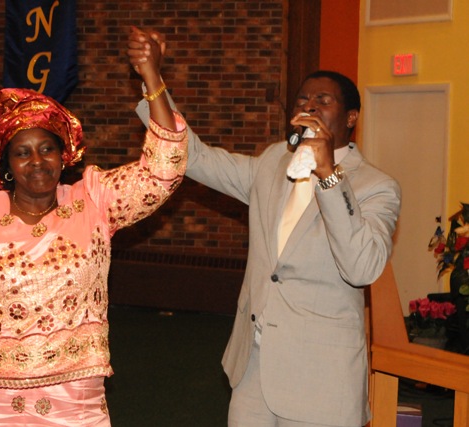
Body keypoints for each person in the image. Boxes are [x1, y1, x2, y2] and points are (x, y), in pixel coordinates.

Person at [0, 31, 187, 427]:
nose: (37, 161)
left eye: (47, 149)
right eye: (22, 152)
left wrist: (151, 75)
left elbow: (163, 171)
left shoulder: (94, 202)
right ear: (6, 167)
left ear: (64, 156)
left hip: (74, 404)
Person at [130, 29, 401, 427]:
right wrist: (153, 78)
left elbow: (361, 268)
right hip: (254, 368)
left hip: (322, 379)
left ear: (351, 118)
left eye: (323, 100)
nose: (309, 106)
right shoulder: (273, 162)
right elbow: (194, 157)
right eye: (302, 99)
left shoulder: (376, 186)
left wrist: (329, 173)